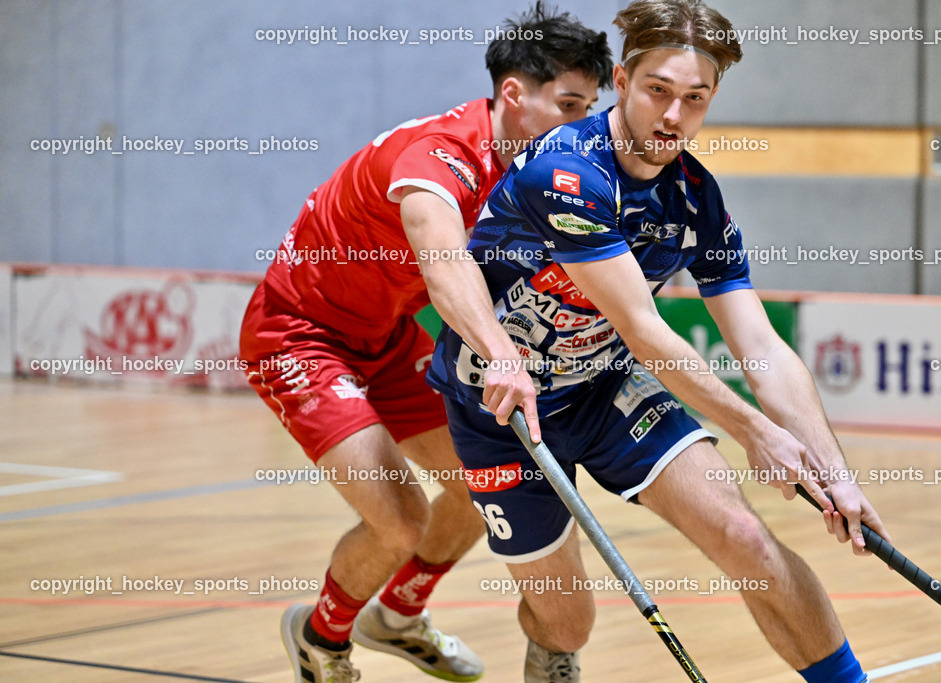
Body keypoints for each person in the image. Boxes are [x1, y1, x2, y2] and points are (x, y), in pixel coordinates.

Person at [425, 1, 891, 681]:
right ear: (622, 80)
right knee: (568, 620)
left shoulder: (695, 198)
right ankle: (551, 652)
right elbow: (645, 330)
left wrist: (835, 471)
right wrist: (755, 431)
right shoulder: (569, 171)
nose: (673, 117)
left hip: (604, 387)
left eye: (695, 99)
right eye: (658, 92)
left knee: (744, 536)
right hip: (504, 411)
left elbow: (758, 342)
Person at [239, 5, 613, 682]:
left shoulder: (530, 171)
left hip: (383, 337)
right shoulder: (439, 158)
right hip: (299, 331)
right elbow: (445, 266)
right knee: (401, 520)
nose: (582, 124)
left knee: (480, 481)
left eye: (589, 107)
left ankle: (401, 615)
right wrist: (501, 354)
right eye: (568, 104)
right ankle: (321, 639)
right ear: (513, 94)